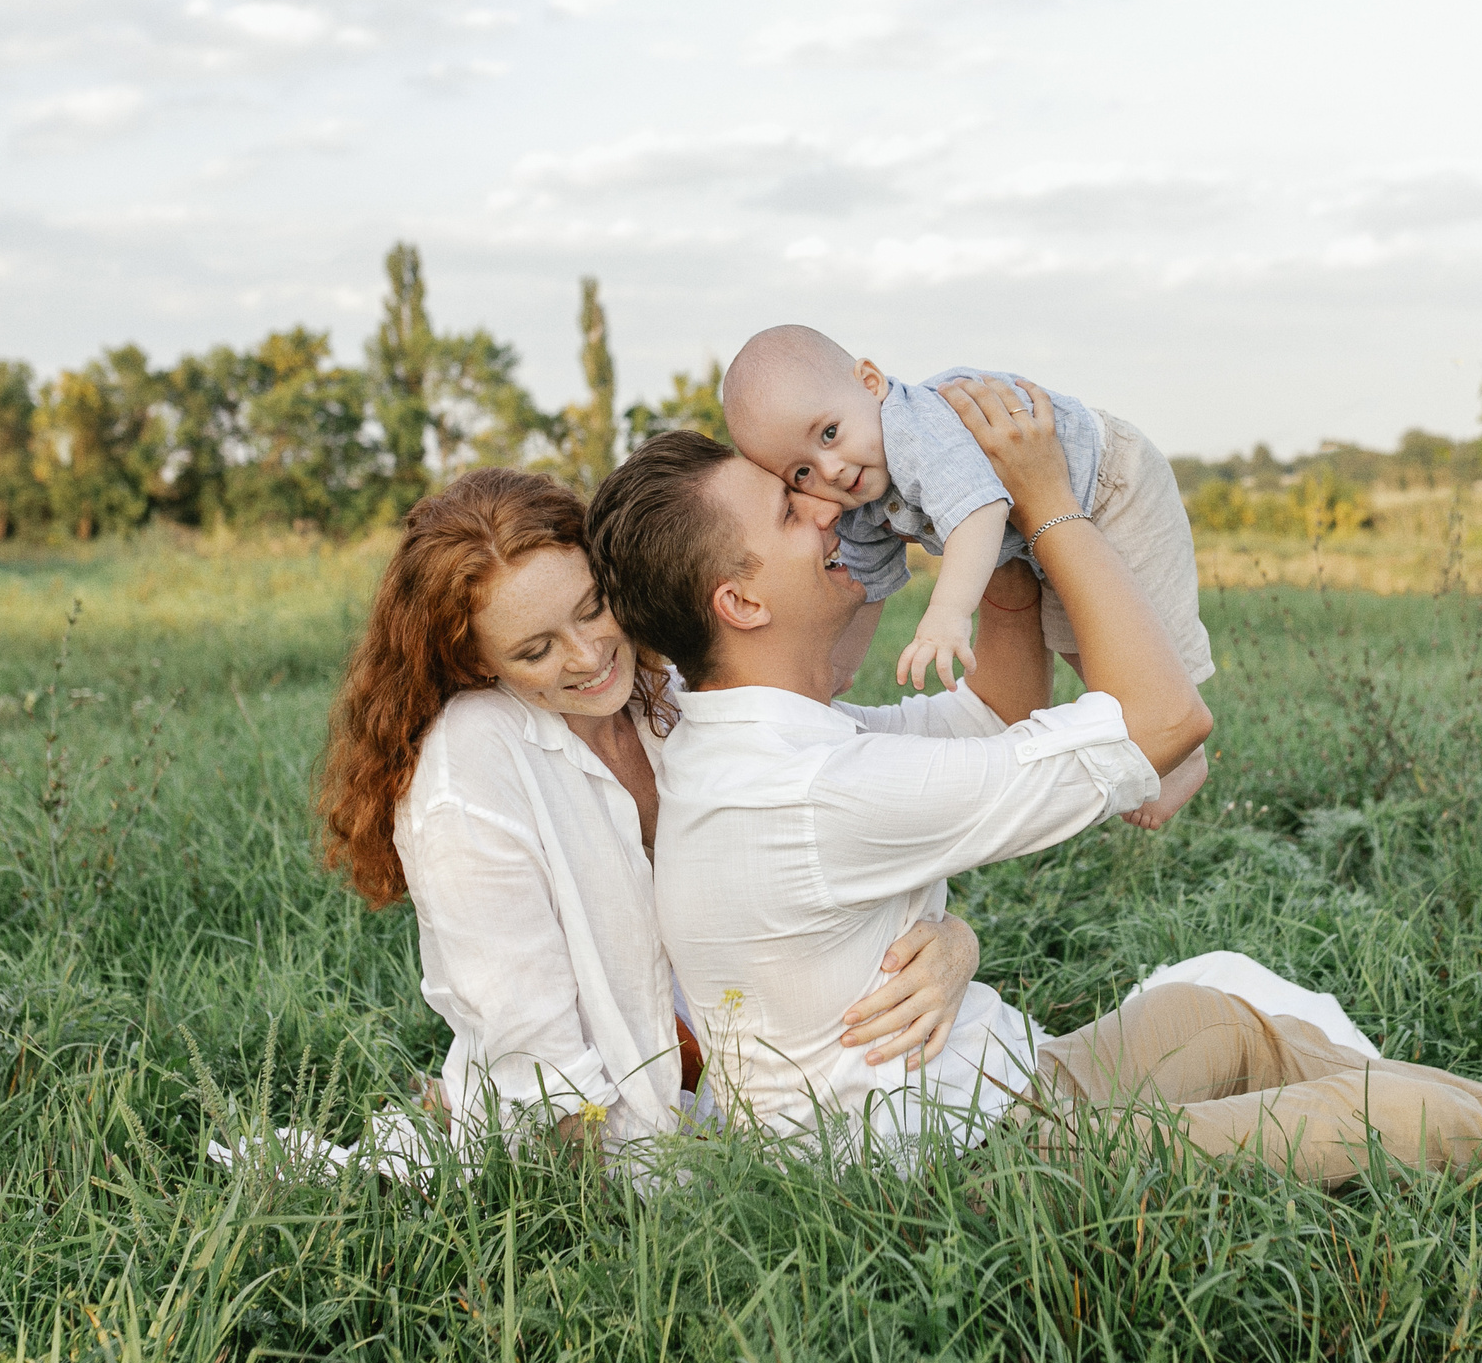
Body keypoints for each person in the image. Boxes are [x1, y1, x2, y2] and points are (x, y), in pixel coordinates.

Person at [587, 386, 1482, 1192]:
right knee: (1389, 1119)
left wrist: (982, 532)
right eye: (791, 508)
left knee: (1211, 1012)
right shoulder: (801, 783)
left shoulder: (756, 733)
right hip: (984, 1175)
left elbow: (990, 715)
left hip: (999, 1090)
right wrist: (1051, 501)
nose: (829, 502)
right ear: (738, 592)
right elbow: (1160, 720)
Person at [313, 467, 984, 1164]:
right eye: (535, 650)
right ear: (475, 660)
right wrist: (674, 1196)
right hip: (618, 1144)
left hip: (780, 1078)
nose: (589, 655)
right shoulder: (470, 766)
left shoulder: (666, 688)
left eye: (592, 606)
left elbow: (838, 801)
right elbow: (538, 1059)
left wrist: (952, 940)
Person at [718, 323, 1212, 828]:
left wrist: (948, 614)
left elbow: (979, 511)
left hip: (1111, 484)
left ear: (870, 383)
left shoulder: (915, 429)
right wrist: (834, 670)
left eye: (829, 434)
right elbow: (866, 584)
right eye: (801, 473)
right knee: (1087, 643)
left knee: (1155, 638)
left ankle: (1184, 750)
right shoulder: (859, 498)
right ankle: (1156, 745)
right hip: (1044, 534)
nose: (832, 470)